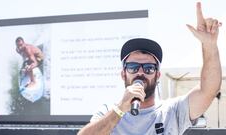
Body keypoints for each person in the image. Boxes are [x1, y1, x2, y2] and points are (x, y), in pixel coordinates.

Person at [78, 2, 222, 135]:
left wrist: (209, 45)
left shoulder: (173, 111)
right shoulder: (107, 112)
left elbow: (208, 90)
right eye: (133, 67)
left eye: (148, 68)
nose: (140, 72)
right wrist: (120, 109)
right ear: (123, 74)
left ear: (158, 75)